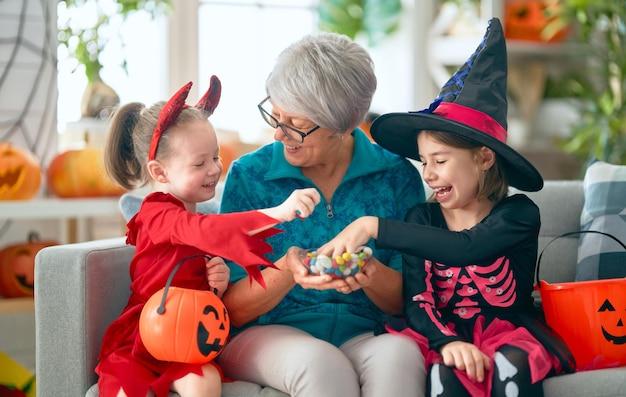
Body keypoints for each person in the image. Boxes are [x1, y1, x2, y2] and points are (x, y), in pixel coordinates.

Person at [318, 19, 577, 397]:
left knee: (510, 367)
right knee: (446, 376)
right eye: (424, 162)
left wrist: (373, 226)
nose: (429, 174)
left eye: (440, 160)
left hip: (509, 332)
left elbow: (466, 248)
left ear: (485, 157)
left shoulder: (518, 214)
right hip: (442, 331)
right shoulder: (421, 218)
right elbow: (418, 299)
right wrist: (445, 342)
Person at [216, 32, 427, 397]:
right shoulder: (249, 176)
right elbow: (231, 309)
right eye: (275, 114)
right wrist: (289, 270)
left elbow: (411, 301)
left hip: (367, 333)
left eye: (296, 123)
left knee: (402, 355)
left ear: (345, 125)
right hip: (268, 333)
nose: (280, 133)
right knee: (321, 364)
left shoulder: (396, 177)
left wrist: (369, 272)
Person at [96, 77, 320, 397]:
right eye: (200, 163)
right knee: (127, 390)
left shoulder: (195, 219)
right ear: (160, 173)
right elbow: (209, 231)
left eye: (215, 157)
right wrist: (278, 212)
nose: (214, 169)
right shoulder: (157, 214)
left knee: (204, 382)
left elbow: (201, 271)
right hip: (144, 340)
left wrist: (216, 284)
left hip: (188, 343)